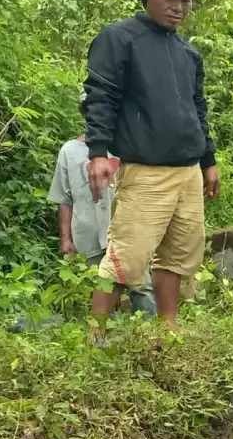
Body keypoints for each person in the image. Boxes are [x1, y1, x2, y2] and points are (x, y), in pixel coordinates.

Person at [80, 0, 219, 341]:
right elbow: (100, 96)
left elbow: (197, 109)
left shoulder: (188, 53)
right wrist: (98, 152)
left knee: (179, 255)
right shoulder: (120, 38)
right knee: (126, 257)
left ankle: (167, 330)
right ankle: (96, 335)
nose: (178, 7)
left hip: (187, 170)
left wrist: (208, 160)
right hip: (145, 169)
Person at [48, 135, 155, 314]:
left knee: (141, 287)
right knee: (98, 290)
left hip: (127, 232)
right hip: (88, 235)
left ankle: (155, 336)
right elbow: (64, 199)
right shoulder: (69, 151)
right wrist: (65, 239)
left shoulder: (129, 144)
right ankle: (101, 339)